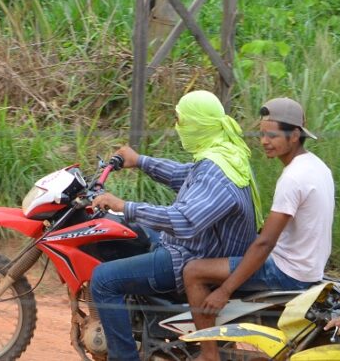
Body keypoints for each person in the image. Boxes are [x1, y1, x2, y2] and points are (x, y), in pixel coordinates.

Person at [89, 90, 258, 361]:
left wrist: (124, 206)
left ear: (196, 124)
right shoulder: (226, 152)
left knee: (103, 280)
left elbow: (184, 221)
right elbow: (184, 175)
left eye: (180, 120)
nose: (177, 126)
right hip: (205, 245)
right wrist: (141, 161)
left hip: (195, 255)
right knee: (137, 235)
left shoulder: (216, 170)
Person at [183, 97, 334, 361]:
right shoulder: (316, 166)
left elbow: (265, 244)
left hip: (289, 271)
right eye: (262, 134)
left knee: (194, 271)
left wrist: (224, 290)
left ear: (295, 135)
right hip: (311, 264)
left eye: (272, 135)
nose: (264, 141)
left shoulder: (293, 178)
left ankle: (209, 354)